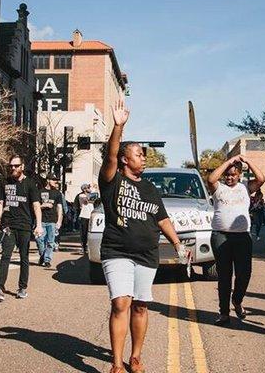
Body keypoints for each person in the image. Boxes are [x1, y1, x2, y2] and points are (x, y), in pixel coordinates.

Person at [99, 101, 184, 373]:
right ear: (126, 159)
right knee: (120, 302)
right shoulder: (112, 179)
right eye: (138, 154)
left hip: (147, 255)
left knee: (140, 306)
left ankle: (135, 357)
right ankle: (116, 364)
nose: (144, 157)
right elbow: (111, 156)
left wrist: (177, 243)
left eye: (144, 154)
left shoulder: (149, 188)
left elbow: (162, 219)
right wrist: (118, 126)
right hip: (117, 251)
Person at [208, 154, 265, 326]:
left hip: (242, 237)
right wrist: (229, 162)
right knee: (224, 276)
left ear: (239, 174)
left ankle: (237, 300)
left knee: (244, 274)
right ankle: (224, 313)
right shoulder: (218, 188)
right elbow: (211, 178)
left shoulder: (246, 187)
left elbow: (261, 178)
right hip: (220, 236)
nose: (230, 177)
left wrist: (247, 161)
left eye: (233, 174)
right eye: (227, 174)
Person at [0, 155, 43, 301]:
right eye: (11, 166)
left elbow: (36, 205)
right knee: (5, 255)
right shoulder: (4, 183)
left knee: (24, 257)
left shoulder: (30, 184)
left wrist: (39, 224)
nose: (13, 168)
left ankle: (22, 288)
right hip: (8, 225)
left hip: (24, 225)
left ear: (22, 166)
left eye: (16, 166)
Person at [37, 173, 64, 267]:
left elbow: (59, 207)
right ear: (48, 180)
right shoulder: (39, 191)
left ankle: (47, 260)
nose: (55, 182)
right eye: (53, 180)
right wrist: (43, 205)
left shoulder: (57, 193)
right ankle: (43, 255)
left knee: (50, 241)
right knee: (40, 239)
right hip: (41, 220)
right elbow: (35, 206)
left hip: (52, 220)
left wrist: (59, 221)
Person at [78, 183, 94, 254]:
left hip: (92, 215)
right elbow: (86, 201)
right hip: (84, 216)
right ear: (84, 189)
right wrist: (91, 193)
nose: (89, 188)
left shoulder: (92, 194)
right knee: (84, 232)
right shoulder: (81, 195)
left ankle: (89, 246)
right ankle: (83, 247)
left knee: (90, 232)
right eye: (88, 187)